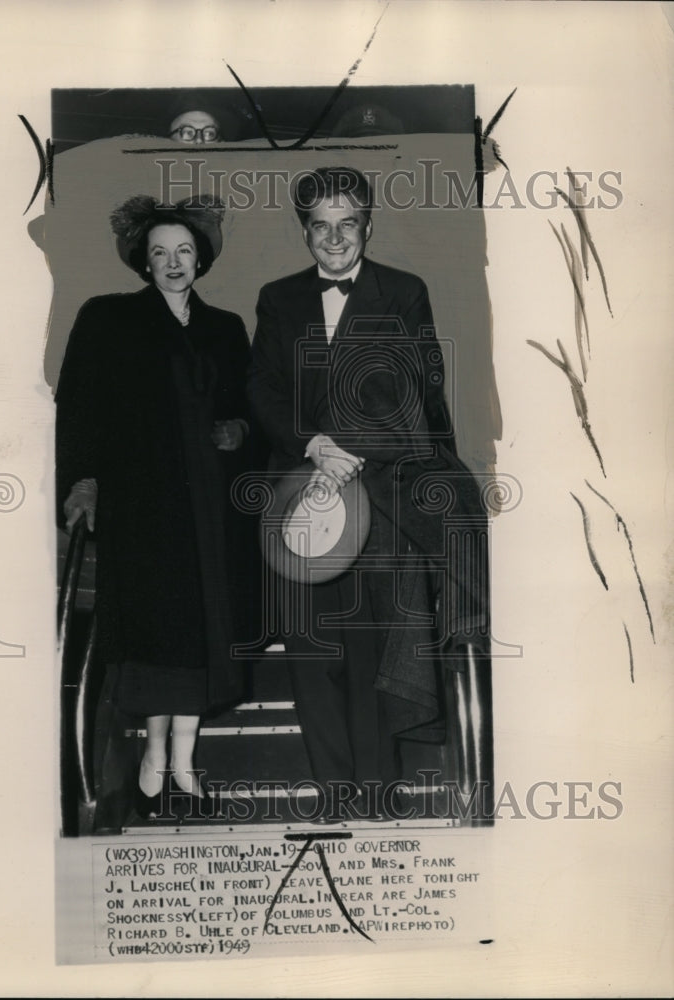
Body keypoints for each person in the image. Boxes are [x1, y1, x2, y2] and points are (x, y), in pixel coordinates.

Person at [247, 166, 488, 821]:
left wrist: (357, 452)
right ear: (305, 233)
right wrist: (313, 446)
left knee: (368, 647)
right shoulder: (277, 297)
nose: (333, 238)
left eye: (346, 223)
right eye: (319, 227)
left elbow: (421, 391)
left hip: (379, 492)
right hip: (297, 493)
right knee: (308, 647)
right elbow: (263, 388)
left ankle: (378, 793)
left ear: (367, 225)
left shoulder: (404, 290)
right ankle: (332, 792)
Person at [56, 194, 254, 826]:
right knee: (156, 633)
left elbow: (248, 408)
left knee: (201, 634)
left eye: (185, 252)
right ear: (143, 261)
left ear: (202, 260)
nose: (173, 263)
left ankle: (186, 765)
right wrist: (82, 482)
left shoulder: (226, 328)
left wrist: (240, 433)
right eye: (160, 253)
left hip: (211, 513)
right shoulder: (107, 319)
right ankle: (152, 762)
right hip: (143, 510)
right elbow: (80, 407)